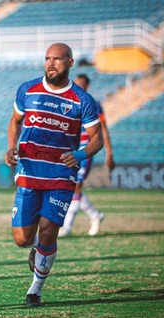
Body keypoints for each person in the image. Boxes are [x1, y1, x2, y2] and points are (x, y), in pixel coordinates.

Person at [5, 43, 104, 307]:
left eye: (57, 59)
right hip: (29, 171)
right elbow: (14, 121)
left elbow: (97, 140)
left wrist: (81, 155)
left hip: (61, 174)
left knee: (49, 232)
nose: (51, 63)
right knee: (22, 239)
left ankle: (35, 290)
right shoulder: (27, 89)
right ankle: (36, 249)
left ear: (70, 63)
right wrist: (11, 147)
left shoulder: (82, 100)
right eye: (47, 58)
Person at [59, 74, 115, 237]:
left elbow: (103, 129)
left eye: (81, 85)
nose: (78, 88)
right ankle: (95, 215)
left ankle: (67, 226)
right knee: (71, 185)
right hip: (71, 149)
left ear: (87, 87)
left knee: (76, 185)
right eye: (75, 84)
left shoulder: (93, 104)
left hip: (86, 150)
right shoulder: (68, 103)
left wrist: (109, 153)